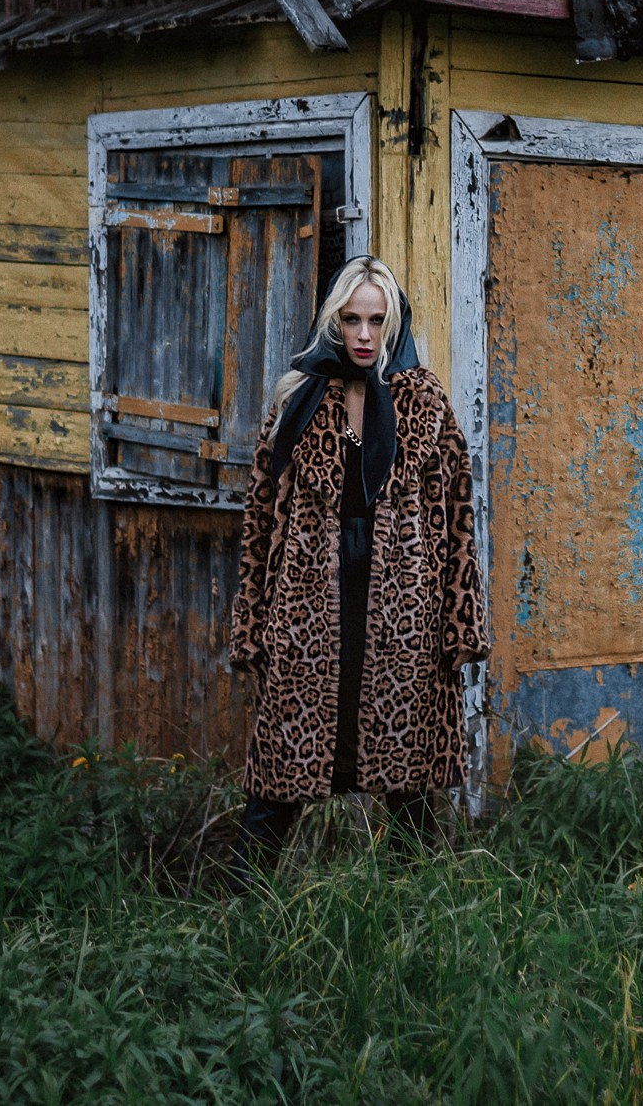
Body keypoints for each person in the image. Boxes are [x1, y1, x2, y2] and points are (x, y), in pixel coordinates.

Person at [228, 254, 486, 876]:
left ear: (393, 325)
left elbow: (457, 522)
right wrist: (252, 622)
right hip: (309, 608)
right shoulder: (297, 401)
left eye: (376, 320)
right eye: (351, 320)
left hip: (403, 614)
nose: (364, 335)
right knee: (280, 774)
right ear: (332, 323)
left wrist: (460, 627)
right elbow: (259, 523)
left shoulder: (426, 405)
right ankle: (234, 914)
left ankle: (414, 917)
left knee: (409, 782)